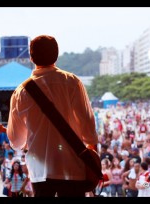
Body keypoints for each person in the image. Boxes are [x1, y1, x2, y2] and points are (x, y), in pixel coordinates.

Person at [7, 35, 98, 197]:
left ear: (31, 56)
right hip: (73, 169)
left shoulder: (21, 92)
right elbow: (89, 130)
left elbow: (16, 140)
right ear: (56, 55)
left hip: (40, 172)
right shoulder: (72, 82)